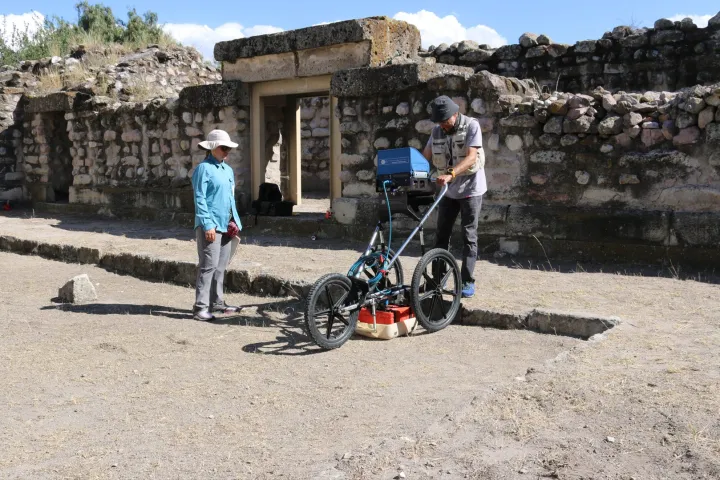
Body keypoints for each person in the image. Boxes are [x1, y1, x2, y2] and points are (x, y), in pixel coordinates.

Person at [422, 95, 487, 298]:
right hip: (448, 192)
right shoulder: (436, 131)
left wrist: (451, 174)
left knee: (469, 236)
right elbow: (425, 157)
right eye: (439, 122)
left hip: (471, 189)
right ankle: (436, 281)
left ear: (455, 114)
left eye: (445, 121)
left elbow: (471, 157)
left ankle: (467, 281)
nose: (443, 125)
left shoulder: (472, 126)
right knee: (441, 235)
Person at [191, 129, 243, 321]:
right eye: (223, 147)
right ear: (212, 148)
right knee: (208, 266)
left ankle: (218, 304)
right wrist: (207, 224)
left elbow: (230, 199)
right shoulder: (203, 169)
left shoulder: (227, 170)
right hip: (210, 225)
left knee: (220, 267)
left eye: (228, 147)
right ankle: (200, 308)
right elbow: (200, 198)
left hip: (225, 224)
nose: (226, 151)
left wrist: (234, 221)